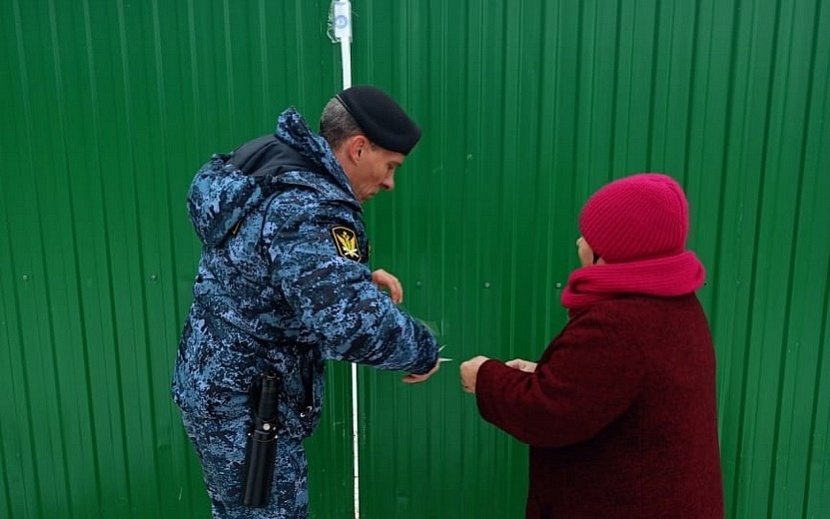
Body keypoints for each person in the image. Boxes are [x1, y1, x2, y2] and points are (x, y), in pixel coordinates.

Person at [172, 85, 441, 518]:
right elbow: (348, 323)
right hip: (249, 409)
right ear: (358, 148)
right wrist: (422, 350)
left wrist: (349, 272)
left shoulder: (270, 162)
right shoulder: (308, 205)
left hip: (216, 387)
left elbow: (261, 256)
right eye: (390, 166)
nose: (390, 183)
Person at [460, 173, 724, 518]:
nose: (580, 242)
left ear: (616, 248)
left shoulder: (620, 321)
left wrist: (486, 378)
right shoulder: (675, 303)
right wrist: (546, 375)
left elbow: (548, 413)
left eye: (592, 235)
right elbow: (616, 387)